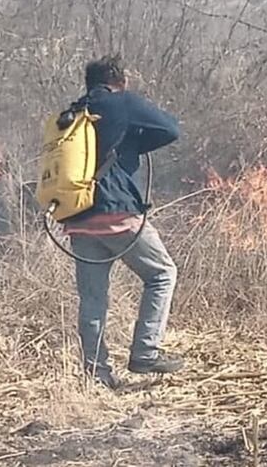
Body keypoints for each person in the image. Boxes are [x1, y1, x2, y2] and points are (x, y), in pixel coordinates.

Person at [62, 56, 183, 389]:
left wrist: (130, 142)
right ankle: (145, 352)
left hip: (77, 217)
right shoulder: (121, 102)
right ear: (120, 81)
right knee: (162, 274)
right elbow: (171, 129)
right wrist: (140, 139)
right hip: (117, 213)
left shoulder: (76, 111)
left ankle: (96, 375)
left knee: (93, 299)